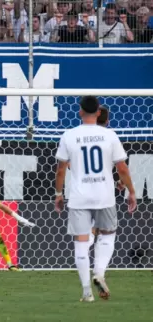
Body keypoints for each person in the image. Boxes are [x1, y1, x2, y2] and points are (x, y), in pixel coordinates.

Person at [55, 96, 136, 302]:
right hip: (105, 196)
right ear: (99, 112)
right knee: (108, 234)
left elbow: (61, 170)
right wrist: (131, 191)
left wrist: (58, 194)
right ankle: (99, 272)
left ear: (80, 111)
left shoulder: (69, 135)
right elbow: (122, 168)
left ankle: (86, 292)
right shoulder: (109, 135)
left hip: (79, 197)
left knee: (81, 243)